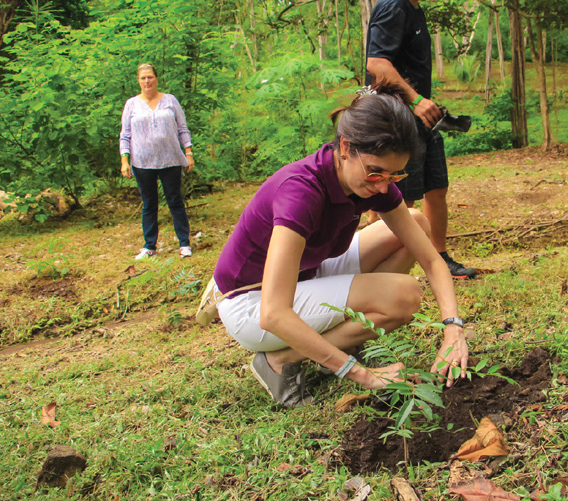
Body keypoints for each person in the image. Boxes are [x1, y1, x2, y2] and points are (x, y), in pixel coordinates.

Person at [211, 82, 469, 408]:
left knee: (415, 222)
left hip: (307, 273)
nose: (382, 186)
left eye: (394, 175)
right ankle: (282, 360)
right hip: (251, 302)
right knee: (405, 297)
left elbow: (432, 260)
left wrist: (453, 331)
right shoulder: (301, 192)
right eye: (375, 172)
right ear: (345, 147)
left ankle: (339, 337)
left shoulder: (373, 180)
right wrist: (364, 375)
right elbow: (273, 314)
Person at [365, 0, 477, 277]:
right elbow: (377, 63)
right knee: (401, 197)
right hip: (399, 115)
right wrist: (415, 100)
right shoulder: (394, 6)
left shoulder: (414, 9)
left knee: (436, 187)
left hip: (422, 116)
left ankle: (439, 259)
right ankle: (379, 270)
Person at [120, 63, 195, 259]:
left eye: (150, 77)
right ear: (138, 81)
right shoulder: (131, 104)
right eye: (143, 78)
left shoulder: (170, 101)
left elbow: (182, 128)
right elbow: (125, 135)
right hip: (142, 162)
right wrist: (124, 160)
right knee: (149, 203)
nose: (147, 81)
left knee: (174, 200)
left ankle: (184, 243)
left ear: (157, 78)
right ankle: (149, 245)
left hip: (170, 159)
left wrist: (188, 152)